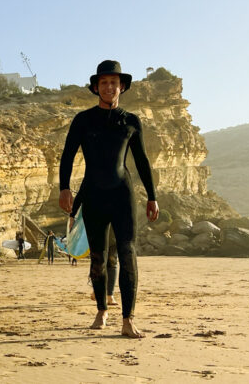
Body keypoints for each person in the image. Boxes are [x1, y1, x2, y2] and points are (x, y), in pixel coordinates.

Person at [59, 60, 159, 337]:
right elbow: (68, 155)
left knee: (128, 254)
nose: (109, 86)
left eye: (114, 82)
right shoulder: (83, 120)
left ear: (122, 86)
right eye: (104, 82)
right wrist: (64, 188)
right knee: (98, 258)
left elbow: (141, 160)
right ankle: (102, 311)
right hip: (92, 194)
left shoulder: (131, 121)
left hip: (122, 194)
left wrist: (152, 196)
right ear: (96, 87)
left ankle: (128, 319)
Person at [70, 188, 119, 306]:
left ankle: (109, 294)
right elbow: (81, 194)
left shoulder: (117, 179)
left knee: (112, 261)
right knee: (98, 260)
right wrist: (72, 216)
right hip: (97, 226)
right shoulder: (94, 177)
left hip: (114, 227)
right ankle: (97, 291)